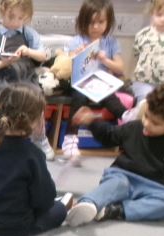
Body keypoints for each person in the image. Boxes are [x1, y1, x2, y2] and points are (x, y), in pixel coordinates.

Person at [65, 81, 164, 227]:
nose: (146, 123)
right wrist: (92, 122)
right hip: (122, 176)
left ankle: (114, 210)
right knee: (116, 183)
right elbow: (109, 136)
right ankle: (88, 203)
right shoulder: (135, 127)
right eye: (146, 116)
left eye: (155, 123)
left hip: (154, 188)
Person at [0, 84, 70, 236]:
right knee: (60, 209)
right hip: (15, 226)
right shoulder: (33, 155)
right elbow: (44, 200)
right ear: (36, 121)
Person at [0, 0, 54, 159]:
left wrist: (28, 51)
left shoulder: (29, 34)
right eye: (11, 16)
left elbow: (43, 55)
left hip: (25, 77)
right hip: (1, 77)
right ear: (2, 11)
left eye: (20, 18)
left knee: (36, 99)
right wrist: (5, 62)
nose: (15, 22)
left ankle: (40, 138)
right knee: (1, 102)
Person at [61, 0, 126, 166]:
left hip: (101, 83)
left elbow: (120, 67)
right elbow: (65, 65)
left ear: (108, 22)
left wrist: (105, 60)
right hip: (80, 83)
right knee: (79, 97)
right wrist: (75, 55)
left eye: (101, 22)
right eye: (91, 22)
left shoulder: (110, 42)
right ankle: (70, 139)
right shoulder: (77, 40)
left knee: (112, 99)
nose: (96, 27)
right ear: (83, 21)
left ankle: (130, 123)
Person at [126, 0, 164, 122]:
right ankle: (135, 125)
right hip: (143, 81)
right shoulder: (143, 34)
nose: (163, 19)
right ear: (152, 13)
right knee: (144, 104)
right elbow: (137, 53)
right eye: (159, 14)